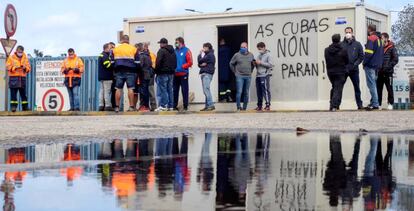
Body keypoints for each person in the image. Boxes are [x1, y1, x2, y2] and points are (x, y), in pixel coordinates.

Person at [111, 35, 139, 112]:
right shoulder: (134, 49)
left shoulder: (115, 49)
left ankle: (117, 107)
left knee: (118, 88)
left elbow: (112, 62)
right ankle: (131, 107)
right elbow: (137, 62)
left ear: (121, 40)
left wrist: (115, 69)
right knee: (130, 88)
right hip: (131, 71)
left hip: (119, 71)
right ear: (128, 40)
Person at [341, 27, 364, 110]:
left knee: (357, 87)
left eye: (349, 32)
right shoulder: (341, 44)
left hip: (354, 70)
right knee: (340, 87)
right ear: (344, 33)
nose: (348, 34)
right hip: (344, 69)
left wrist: (355, 64)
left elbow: (361, 56)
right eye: (346, 32)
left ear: (352, 33)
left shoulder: (357, 44)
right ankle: (336, 105)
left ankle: (359, 105)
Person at [324, 34, 349, 111]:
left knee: (334, 87)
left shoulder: (326, 50)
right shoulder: (343, 50)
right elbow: (347, 61)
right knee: (338, 89)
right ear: (339, 40)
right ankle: (334, 105)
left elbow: (326, 60)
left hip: (330, 72)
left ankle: (333, 104)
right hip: (340, 72)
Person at [363, 25, 384, 110]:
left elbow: (369, 53)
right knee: (374, 84)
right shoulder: (380, 39)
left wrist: (364, 62)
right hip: (377, 66)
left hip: (370, 65)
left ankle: (375, 103)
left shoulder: (371, 38)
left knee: (371, 84)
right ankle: (373, 102)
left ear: (369, 29)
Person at [230, 42, 255, 111]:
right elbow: (231, 63)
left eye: (244, 47)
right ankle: (238, 107)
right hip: (239, 76)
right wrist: (234, 72)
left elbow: (253, 64)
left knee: (246, 92)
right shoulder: (237, 55)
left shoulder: (251, 55)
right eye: (241, 47)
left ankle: (244, 107)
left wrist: (251, 71)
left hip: (248, 76)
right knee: (239, 91)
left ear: (247, 47)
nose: (242, 48)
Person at [6, 45, 31, 112]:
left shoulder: (25, 58)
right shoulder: (11, 58)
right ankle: (13, 107)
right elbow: (8, 66)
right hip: (14, 78)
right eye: (19, 52)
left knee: (23, 94)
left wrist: (25, 68)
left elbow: (29, 68)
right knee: (13, 94)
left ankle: (25, 107)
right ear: (16, 51)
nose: (20, 53)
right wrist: (15, 68)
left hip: (22, 78)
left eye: (21, 52)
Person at [377, 32, 399, 110]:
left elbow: (395, 59)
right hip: (379, 72)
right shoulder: (379, 47)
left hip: (388, 72)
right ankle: (378, 104)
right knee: (378, 89)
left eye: (382, 38)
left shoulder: (392, 47)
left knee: (389, 88)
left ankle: (390, 103)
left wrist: (388, 66)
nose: (381, 39)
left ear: (386, 38)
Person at [155, 38, 177, 111]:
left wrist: (156, 71)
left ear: (163, 44)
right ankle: (170, 106)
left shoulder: (161, 51)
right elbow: (175, 63)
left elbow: (158, 62)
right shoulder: (173, 51)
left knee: (163, 89)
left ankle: (163, 105)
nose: (160, 45)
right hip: (171, 73)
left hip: (162, 73)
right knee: (170, 90)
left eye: (160, 43)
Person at [174, 37, 193, 111]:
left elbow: (190, 62)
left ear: (181, 42)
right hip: (175, 74)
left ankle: (185, 106)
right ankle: (174, 105)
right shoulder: (174, 51)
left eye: (177, 42)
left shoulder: (186, 50)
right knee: (175, 90)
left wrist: (183, 66)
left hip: (183, 73)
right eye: (175, 42)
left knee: (184, 90)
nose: (176, 43)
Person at [254, 42, 274, 111]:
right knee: (258, 91)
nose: (259, 50)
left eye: (260, 49)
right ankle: (259, 106)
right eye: (258, 49)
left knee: (265, 90)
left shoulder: (268, 55)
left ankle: (268, 105)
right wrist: (255, 63)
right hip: (258, 75)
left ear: (264, 47)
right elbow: (258, 64)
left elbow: (270, 65)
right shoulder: (259, 55)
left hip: (265, 75)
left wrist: (260, 62)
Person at [198, 42, 216, 111]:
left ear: (208, 48)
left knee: (206, 89)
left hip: (207, 74)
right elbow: (199, 63)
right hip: (204, 73)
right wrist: (201, 63)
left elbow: (200, 60)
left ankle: (211, 105)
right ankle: (207, 106)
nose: (203, 49)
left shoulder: (210, 55)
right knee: (205, 90)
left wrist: (200, 55)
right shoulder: (206, 55)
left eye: (205, 47)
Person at [136, 42, 153, 112]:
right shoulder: (148, 55)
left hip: (143, 75)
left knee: (143, 91)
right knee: (145, 91)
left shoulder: (141, 56)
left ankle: (144, 106)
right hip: (147, 75)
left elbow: (140, 66)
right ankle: (146, 106)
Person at [98, 43, 114, 111]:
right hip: (107, 76)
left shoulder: (101, 55)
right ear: (106, 48)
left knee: (102, 91)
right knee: (107, 91)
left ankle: (101, 105)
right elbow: (108, 65)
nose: (111, 50)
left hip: (102, 76)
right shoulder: (105, 56)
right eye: (110, 48)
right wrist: (113, 63)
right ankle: (108, 105)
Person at [144, 42, 158, 111]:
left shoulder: (151, 55)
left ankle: (153, 106)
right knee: (145, 92)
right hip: (145, 76)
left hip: (150, 76)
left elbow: (154, 65)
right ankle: (146, 106)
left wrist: (151, 73)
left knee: (150, 91)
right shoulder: (142, 54)